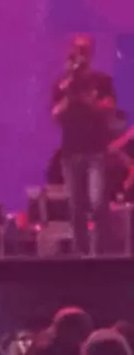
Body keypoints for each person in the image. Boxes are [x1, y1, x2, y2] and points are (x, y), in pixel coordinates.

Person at [51, 35, 116, 255]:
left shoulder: (101, 81)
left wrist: (88, 100)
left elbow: (109, 108)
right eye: (78, 49)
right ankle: (81, 254)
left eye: (85, 50)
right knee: (76, 206)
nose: (82, 54)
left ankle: (100, 253)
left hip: (95, 150)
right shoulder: (63, 83)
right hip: (71, 152)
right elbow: (56, 116)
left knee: (97, 203)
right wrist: (70, 94)